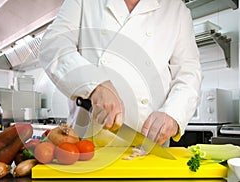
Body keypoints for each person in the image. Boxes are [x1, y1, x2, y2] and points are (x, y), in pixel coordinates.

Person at [39, 0, 203, 147]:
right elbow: (54, 45)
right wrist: (96, 85)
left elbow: (188, 73)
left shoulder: (176, 10)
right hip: (86, 145)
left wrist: (173, 113)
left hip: (148, 145)